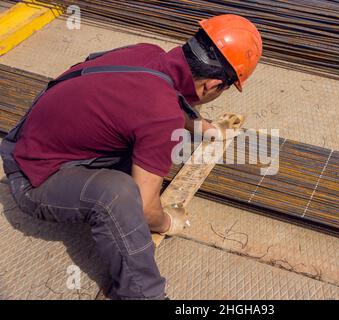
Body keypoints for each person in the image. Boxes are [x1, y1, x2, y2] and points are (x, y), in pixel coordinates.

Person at [0, 14, 262, 300]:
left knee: (145, 148)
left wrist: (201, 127)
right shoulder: (162, 116)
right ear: (212, 85)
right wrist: (167, 222)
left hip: (27, 141)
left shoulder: (147, 53)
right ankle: (141, 294)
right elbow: (148, 209)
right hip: (33, 179)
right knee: (119, 195)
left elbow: (166, 93)